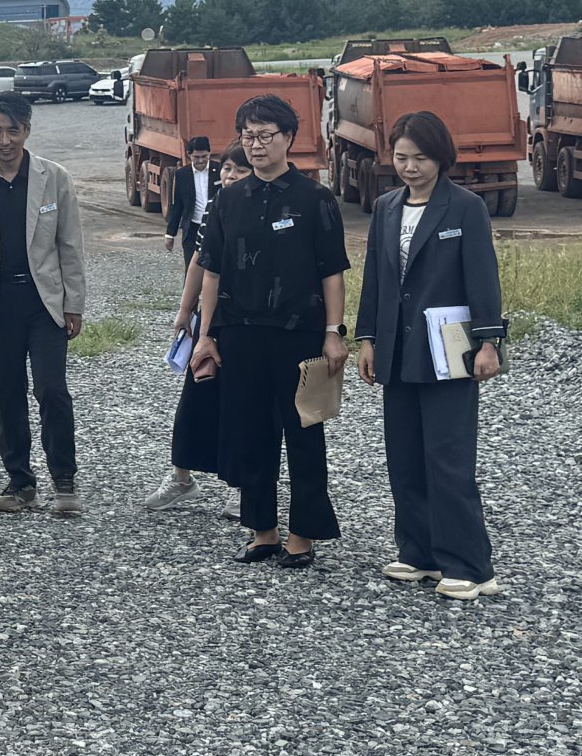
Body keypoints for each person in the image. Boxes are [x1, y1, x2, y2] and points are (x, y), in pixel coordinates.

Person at [192, 94, 349, 569]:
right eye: (248, 136)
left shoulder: (314, 199)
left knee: (304, 433)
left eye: (266, 136)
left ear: (288, 139)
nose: (256, 145)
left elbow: (333, 272)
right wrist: (205, 334)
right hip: (241, 334)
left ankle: (304, 533)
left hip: (299, 335)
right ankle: (263, 530)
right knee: (250, 434)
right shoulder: (228, 200)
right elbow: (212, 273)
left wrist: (334, 331)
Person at [356, 111, 504, 600]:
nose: (410, 167)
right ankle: (419, 553)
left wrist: (489, 342)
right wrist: (367, 339)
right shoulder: (385, 206)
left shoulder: (464, 208)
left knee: (449, 458)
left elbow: (482, 276)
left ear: (441, 157)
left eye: (420, 157)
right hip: (397, 351)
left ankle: (470, 566)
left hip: (449, 349)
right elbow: (376, 279)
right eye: (401, 157)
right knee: (404, 456)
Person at [0, 93, 86, 516]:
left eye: (12, 130)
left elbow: (70, 245)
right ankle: (20, 481)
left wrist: (74, 304)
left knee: (52, 389)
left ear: (27, 131)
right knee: (8, 392)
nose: (3, 140)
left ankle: (64, 480)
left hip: (44, 301)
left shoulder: (54, 178)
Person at [143, 141, 251, 514]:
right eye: (228, 170)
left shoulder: (263, 211)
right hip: (211, 321)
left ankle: (247, 489)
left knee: (243, 406)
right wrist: (184, 312)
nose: (231, 176)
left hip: (249, 324)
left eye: (241, 170)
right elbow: (198, 265)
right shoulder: (217, 209)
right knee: (195, 400)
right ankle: (181, 478)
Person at [165, 136, 219, 268]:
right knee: (191, 267)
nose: (200, 161)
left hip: (216, 226)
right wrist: (170, 234)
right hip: (192, 229)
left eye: (204, 156)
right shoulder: (182, 175)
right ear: (189, 156)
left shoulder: (220, 170)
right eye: (196, 157)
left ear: (209, 153)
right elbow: (177, 205)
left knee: (215, 266)